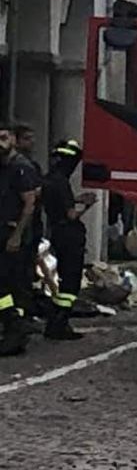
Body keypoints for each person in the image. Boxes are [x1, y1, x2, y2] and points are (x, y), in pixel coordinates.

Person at [42, 139, 96, 340]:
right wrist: (87, 205)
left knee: (65, 277)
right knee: (70, 283)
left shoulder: (49, 179)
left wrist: (77, 199)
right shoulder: (61, 182)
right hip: (69, 235)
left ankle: (55, 321)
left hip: (57, 232)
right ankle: (60, 323)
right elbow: (71, 214)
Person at [0, 120, 37, 355]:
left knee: (10, 283)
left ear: (13, 139)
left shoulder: (20, 167)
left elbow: (29, 203)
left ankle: (16, 326)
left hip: (12, 234)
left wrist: (17, 236)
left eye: (3, 137)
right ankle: (13, 325)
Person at [12, 123, 43, 322]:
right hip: (16, 228)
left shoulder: (28, 166)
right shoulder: (20, 167)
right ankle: (17, 317)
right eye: (27, 139)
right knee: (16, 275)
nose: (31, 143)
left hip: (27, 229)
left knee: (23, 273)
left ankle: (20, 315)